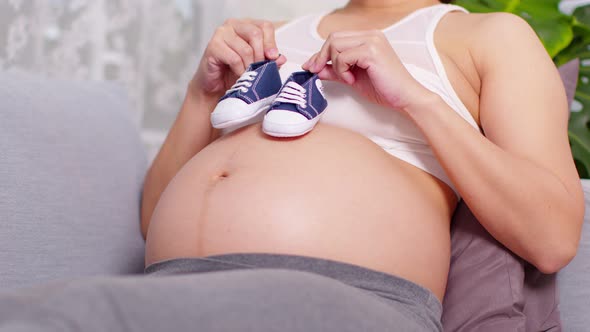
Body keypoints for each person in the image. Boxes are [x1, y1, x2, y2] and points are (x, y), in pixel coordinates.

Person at [0, 1, 583, 331]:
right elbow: (154, 220)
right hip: (176, 285)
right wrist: (202, 97)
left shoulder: (487, 37)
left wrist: (415, 98)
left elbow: (552, 235)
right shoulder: (269, 37)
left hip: (339, 295)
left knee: (65, 317)